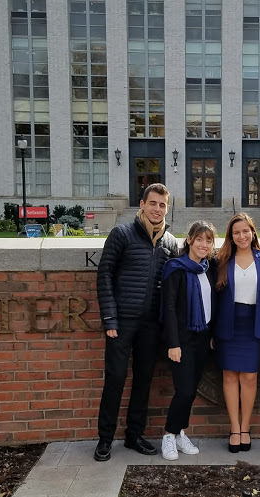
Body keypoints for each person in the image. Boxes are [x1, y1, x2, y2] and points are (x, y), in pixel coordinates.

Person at [95, 183, 178, 462]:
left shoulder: (170, 242)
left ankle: (134, 435)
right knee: (116, 379)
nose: (157, 209)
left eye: (162, 205)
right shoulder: (122, 233)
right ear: (142, 204)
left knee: (144, 381)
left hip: (151, 326)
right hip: (121, 321)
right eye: (152, 203)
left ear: (167, 208)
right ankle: (105, 439)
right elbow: (104, 275)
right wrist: (109, 317)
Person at [215, 213, 260, 453]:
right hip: (227, 326)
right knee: (229, 376)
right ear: (231, 236)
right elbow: (214, 298)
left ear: (253, 232)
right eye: (236, 232)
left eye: (245, 231)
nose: (241, 236)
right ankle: (233, 428)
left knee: (249, 377)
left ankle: (245, 428)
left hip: (254, 324)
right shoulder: (220, 260)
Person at [160, 221, 217, 461]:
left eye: (209, 240)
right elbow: (169, 308)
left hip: (202, 338)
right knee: (183, 390)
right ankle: (168, 435)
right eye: (200, 239)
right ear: (190, 240)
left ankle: (180, 431)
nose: (204, 244)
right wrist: (173, 343)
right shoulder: (175, 268)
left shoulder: (208, 268)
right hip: (181, 339)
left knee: (192, 389)